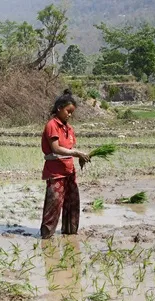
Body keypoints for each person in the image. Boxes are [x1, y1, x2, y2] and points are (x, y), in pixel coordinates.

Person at [40, 89, 91, 239]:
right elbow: (56, 148)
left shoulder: (69, 128)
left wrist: (80, 157)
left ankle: (70, 235)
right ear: (59, 108)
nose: (69, 115)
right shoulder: (52, 125)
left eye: (72, 113)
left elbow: (69, 148)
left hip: (69, 171)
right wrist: (76, 153)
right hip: (56, 173)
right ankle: (46, 237)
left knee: (72, 204)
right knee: (53, 205)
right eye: (68, 111)